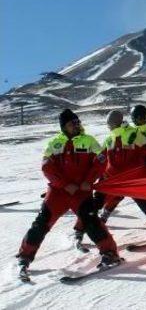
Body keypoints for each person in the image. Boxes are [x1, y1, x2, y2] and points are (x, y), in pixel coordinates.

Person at [17, 109, 120, 278]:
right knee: (41, 223)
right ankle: (25, 256)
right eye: (73, 123)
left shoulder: (89, 140)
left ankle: (110, 254)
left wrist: (89, 180)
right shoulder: (54, 143)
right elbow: (47, 167)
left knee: (91, 221)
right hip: (58, 193)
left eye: (78, 122)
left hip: (81, 191)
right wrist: (64, 185)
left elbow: (101, 161)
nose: (77, 125)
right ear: (64, 126)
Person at [75, 110, 146, 244]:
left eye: (109, 123)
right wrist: (87, 177)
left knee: (142, 201)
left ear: (114, 123)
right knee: (97, 202)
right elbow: (100, 159)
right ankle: (80, 230)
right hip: (111, 178)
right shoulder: (110, 138)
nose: (108, 126)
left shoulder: (134, 134)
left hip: (129, 177)